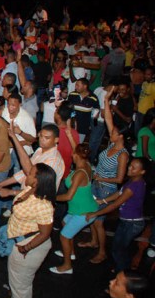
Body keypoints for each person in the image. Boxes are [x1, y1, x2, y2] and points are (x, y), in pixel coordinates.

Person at [0, 159, 57, 298]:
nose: (27, 174)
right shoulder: (31, 189)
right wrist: (10, 193)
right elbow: (22, 194)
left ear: (37, 180)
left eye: (30, 173)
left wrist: (26, 248)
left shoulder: (43, 205)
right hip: (19, 240)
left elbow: (45, 234)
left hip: (29, 246)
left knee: (21, 286)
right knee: (16, 281)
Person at [80, 87, 130, 264]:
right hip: (97, 185)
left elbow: (119, 179)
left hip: (106, 190)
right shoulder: (112, 144)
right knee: (92, 218)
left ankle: (102, 252)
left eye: (114, 132)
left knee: (98, 221)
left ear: (121, 136)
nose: (111, 133)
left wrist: (100, 178)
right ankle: (93, 241)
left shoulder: (122, 154)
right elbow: (108, 118)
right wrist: (107, 100)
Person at [86, 158, 148, 272]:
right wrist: (102, 201)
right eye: (130, 165)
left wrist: (95, 214)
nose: (129, 168)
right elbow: (118, 193)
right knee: (118, 247)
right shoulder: (133, 181)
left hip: (132, 223)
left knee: (119, 250)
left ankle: (123, 274)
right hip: (127, 221)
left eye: (134, 168)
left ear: (142, 172)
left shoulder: (133, 186)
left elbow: (115, 205)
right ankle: (122, 269)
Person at [50, 144, 97, 275]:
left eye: (72, 153)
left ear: (75, 155)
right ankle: (70, 252)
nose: (71, 154)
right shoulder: (87, 165)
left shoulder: (80, 173)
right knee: (65, 222)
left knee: (64, 236)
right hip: (78, 209)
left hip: (84, 212)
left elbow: (68, 196)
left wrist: (51, 197)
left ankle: (67, 266)